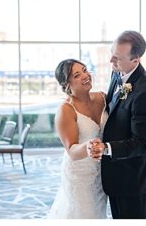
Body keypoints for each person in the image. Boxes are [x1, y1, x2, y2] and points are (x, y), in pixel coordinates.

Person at [86, 31, 146, 219]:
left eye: (117, 57)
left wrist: (106, 148)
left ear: (135, 60)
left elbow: (141, 143)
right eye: (112, 52)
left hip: (130, 177)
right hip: (114, 172)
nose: (111, 59)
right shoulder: (117, 72)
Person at [46, 59, 108, 219]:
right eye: (77, 75)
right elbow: (72, 150)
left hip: (102, 172)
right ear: (67, 85)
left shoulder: (103, 98)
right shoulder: (66, 111)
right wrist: (88, 146)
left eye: (85, 70)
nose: (85, 76)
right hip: (79, 175)